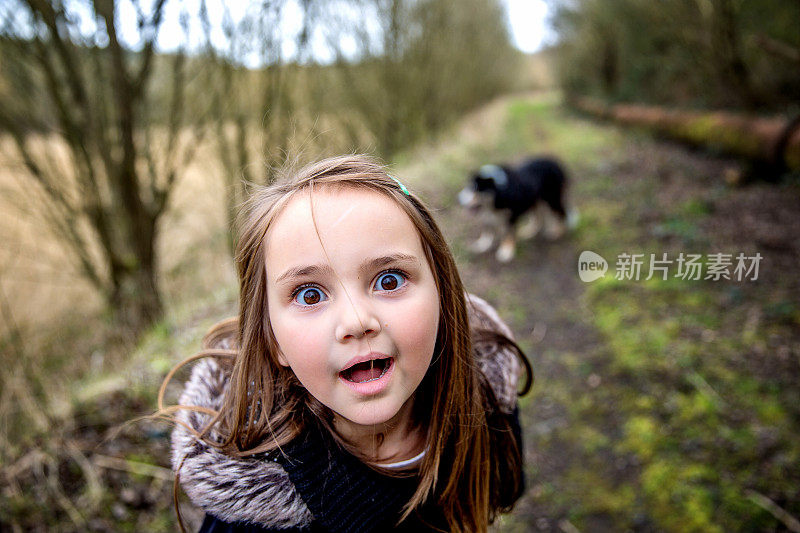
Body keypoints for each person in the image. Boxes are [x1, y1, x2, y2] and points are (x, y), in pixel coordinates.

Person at [162, 155, 532, 533]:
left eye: (389, 280)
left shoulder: (486, 400)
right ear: (273, 340)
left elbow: (501, 491)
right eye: (309, 295)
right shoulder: (251, 521)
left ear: (443, 296)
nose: (356, 322)